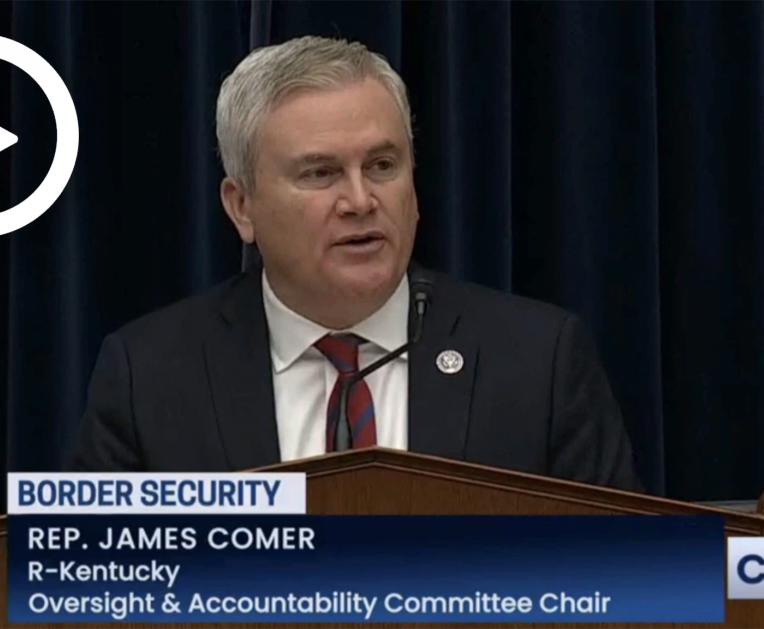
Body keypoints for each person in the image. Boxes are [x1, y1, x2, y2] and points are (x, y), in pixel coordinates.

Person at [66, 36, 642, 492]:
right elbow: (87, 590)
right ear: (242, 208)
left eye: (383, 165)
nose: (361, 200)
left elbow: (629, 582)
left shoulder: (539, 362)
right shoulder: (150, 377)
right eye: (320, 173)